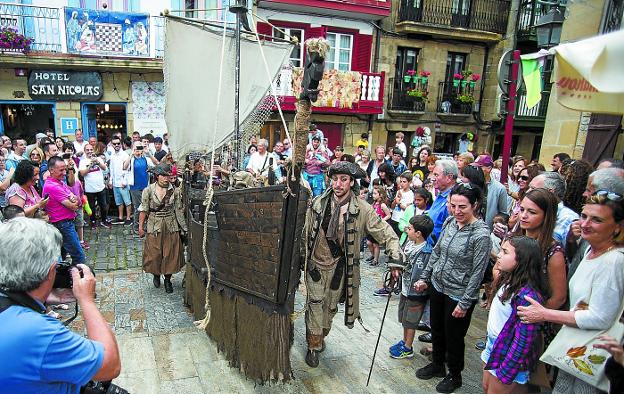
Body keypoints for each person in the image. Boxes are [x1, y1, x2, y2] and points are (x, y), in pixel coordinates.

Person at [518, 189, 624, 394]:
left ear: (618, 227)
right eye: (584, 216)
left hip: (594, 351)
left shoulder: (614, 260)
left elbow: (601, 317)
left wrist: (544, 314)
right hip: (575, 345)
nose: (584, 224)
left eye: (597, 220)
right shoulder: (590, 249)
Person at [0, 218, 121, 392]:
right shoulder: (38, 332)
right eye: (57, 268)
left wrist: (41, 298)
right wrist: (87, 301)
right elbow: (110, 365)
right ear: (50, 272)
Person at [303, 161, 402, 368]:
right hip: (315, 266)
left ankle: (320, 337)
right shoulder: (318, 203)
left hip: (339, 268)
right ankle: (312, 346)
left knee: (329, 308)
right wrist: (300, 259)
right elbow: (304, 234)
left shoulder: (363, 210)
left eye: (344, 179)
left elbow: (386, 233)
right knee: (314, 304)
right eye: (335, 179)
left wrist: (395, 258)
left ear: (351, 182)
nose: (338, 184)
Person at [414, 183, 491, 393]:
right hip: (438, 285)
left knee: (454, 337)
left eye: (463, 207)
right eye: (453, 205)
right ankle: (437, 364)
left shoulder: (481, 235)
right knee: (437, 329)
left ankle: (454, 375)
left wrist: (465, 302)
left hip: (459, 293)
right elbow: (437, 253)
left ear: (474, 205)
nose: (457, 211)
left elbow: (478, 272)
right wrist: (425, 278)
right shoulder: (449, 222)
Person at [482, 236, 548, 393]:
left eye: (505, 252)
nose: (499, 255)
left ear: (522, 260)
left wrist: (507, 371)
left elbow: (523, 340)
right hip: (493, 345)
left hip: (509, 355)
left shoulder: (527, 296)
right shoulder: (507, 279)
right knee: (486, 388)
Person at [514, 188, 567, 345]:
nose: (523, 215)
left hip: (530, 324)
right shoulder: (514, 239)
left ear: (546, 216)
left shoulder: (553, 252)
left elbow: (558, 297)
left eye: (532, 212)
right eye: (522, 209)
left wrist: (533, 314)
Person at [389, 215, 434, 359]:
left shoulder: (426, 252)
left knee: (411, 320)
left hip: (416, 293)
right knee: (404, 318)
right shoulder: (409, 244)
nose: (406, 230)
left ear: (418, 233)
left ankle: (408, 347)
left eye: (409, 228)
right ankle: (404, 342)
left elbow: (425, 273)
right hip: (405, 288)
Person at [138, 164, 187, 294]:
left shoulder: (175, 191)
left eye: (168, 175)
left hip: (171, 226)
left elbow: (178, 210)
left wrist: (184, 228)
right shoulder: (148, 190)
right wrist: (141, 227)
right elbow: (144, 209)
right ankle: (156, 274)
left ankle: (167, 280)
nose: (166, 178)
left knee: (170, 254)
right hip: (154, 225)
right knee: (154, 254)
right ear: (157, 176)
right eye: (163, 175)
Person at [42, 156, 85, 265]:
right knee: (78, 255)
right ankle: (78, 278)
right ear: (51, 170)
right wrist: (73, 200)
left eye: (65, 169)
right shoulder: (53, 186)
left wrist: (74, 200)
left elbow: (77, 201)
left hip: (65, 223)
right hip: (62, 224)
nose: (64, 172)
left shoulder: (60, 183)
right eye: (61, 170)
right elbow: (74, 206)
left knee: (62, 256)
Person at [528, 172, 579, 246]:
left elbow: (568, 253)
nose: (528, 192)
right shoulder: (528, 209)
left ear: (550, 192)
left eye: (533, 189)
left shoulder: (568, 218)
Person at [124, 141, 157, 233]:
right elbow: (124, 167)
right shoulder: (131, 159)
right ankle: (136, 226)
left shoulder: (145, 158)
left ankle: (143, 225)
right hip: (135, 187)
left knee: (146, 207)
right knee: (138, 207)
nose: (138, 150)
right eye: (136, 147)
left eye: (140, 147)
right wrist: (131, 154)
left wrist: (148, 153)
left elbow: (156, 164)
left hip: (145, 186)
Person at [79, 143, 110, 229]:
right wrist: (90, 165)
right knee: (91, 207)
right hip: (90, 188)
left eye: (91, 149)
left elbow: (105, 168)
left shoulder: (99, 158)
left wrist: (97, 162)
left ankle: (104, 220)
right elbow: (82, 173)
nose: (89, 151)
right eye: (87, 150)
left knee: (103, 205)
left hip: (100, 186)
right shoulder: (83, 161)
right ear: (85, 151)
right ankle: (92, 221)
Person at [427, 160, 458, 243]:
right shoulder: (441, 193)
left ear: (449, 177)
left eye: (436, 175)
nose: (432, 178)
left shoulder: (454, 200)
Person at [474, 154, 508, 229]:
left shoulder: (499, 188)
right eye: (475, 167)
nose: (476, 169)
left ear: (489, 168)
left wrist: (497, 221)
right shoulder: (470, 184)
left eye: (479, 167)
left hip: (487, 231)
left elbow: (503, 213)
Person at [366, 185, 392, 266]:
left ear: (380, 195)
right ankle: (373, 255)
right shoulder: (374, 204)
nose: (373, 195)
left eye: (374, 194)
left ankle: (376, 259)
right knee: (369, 243)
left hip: (378, 228)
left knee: (375, 244)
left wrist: (381, 220)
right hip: (372, 226)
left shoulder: (382, 205)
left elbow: (389, 215)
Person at [108, 137, 132, 225]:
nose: (117, 145)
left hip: (123, 182)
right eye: (114, 144)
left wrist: (125, 181)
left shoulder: (125, 155)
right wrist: (110, 180)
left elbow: (127, 169)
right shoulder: (112, 155)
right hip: (115, 183)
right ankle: (120, 217)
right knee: (118, 201)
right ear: (112, 144)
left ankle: (129, 218)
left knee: (127, 201)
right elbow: (111, 169)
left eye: (118, 143)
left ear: (121, 144)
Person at [390, 171, 414, 236]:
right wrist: (395, 201)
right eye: (401, 181)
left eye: (404, 182)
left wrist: (398, 203)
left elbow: (407, 209)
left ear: (409, 182)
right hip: (394, 218)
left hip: (401, 220)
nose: (402, 184)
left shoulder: (411, 194)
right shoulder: (399, 191)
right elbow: (392, 207)